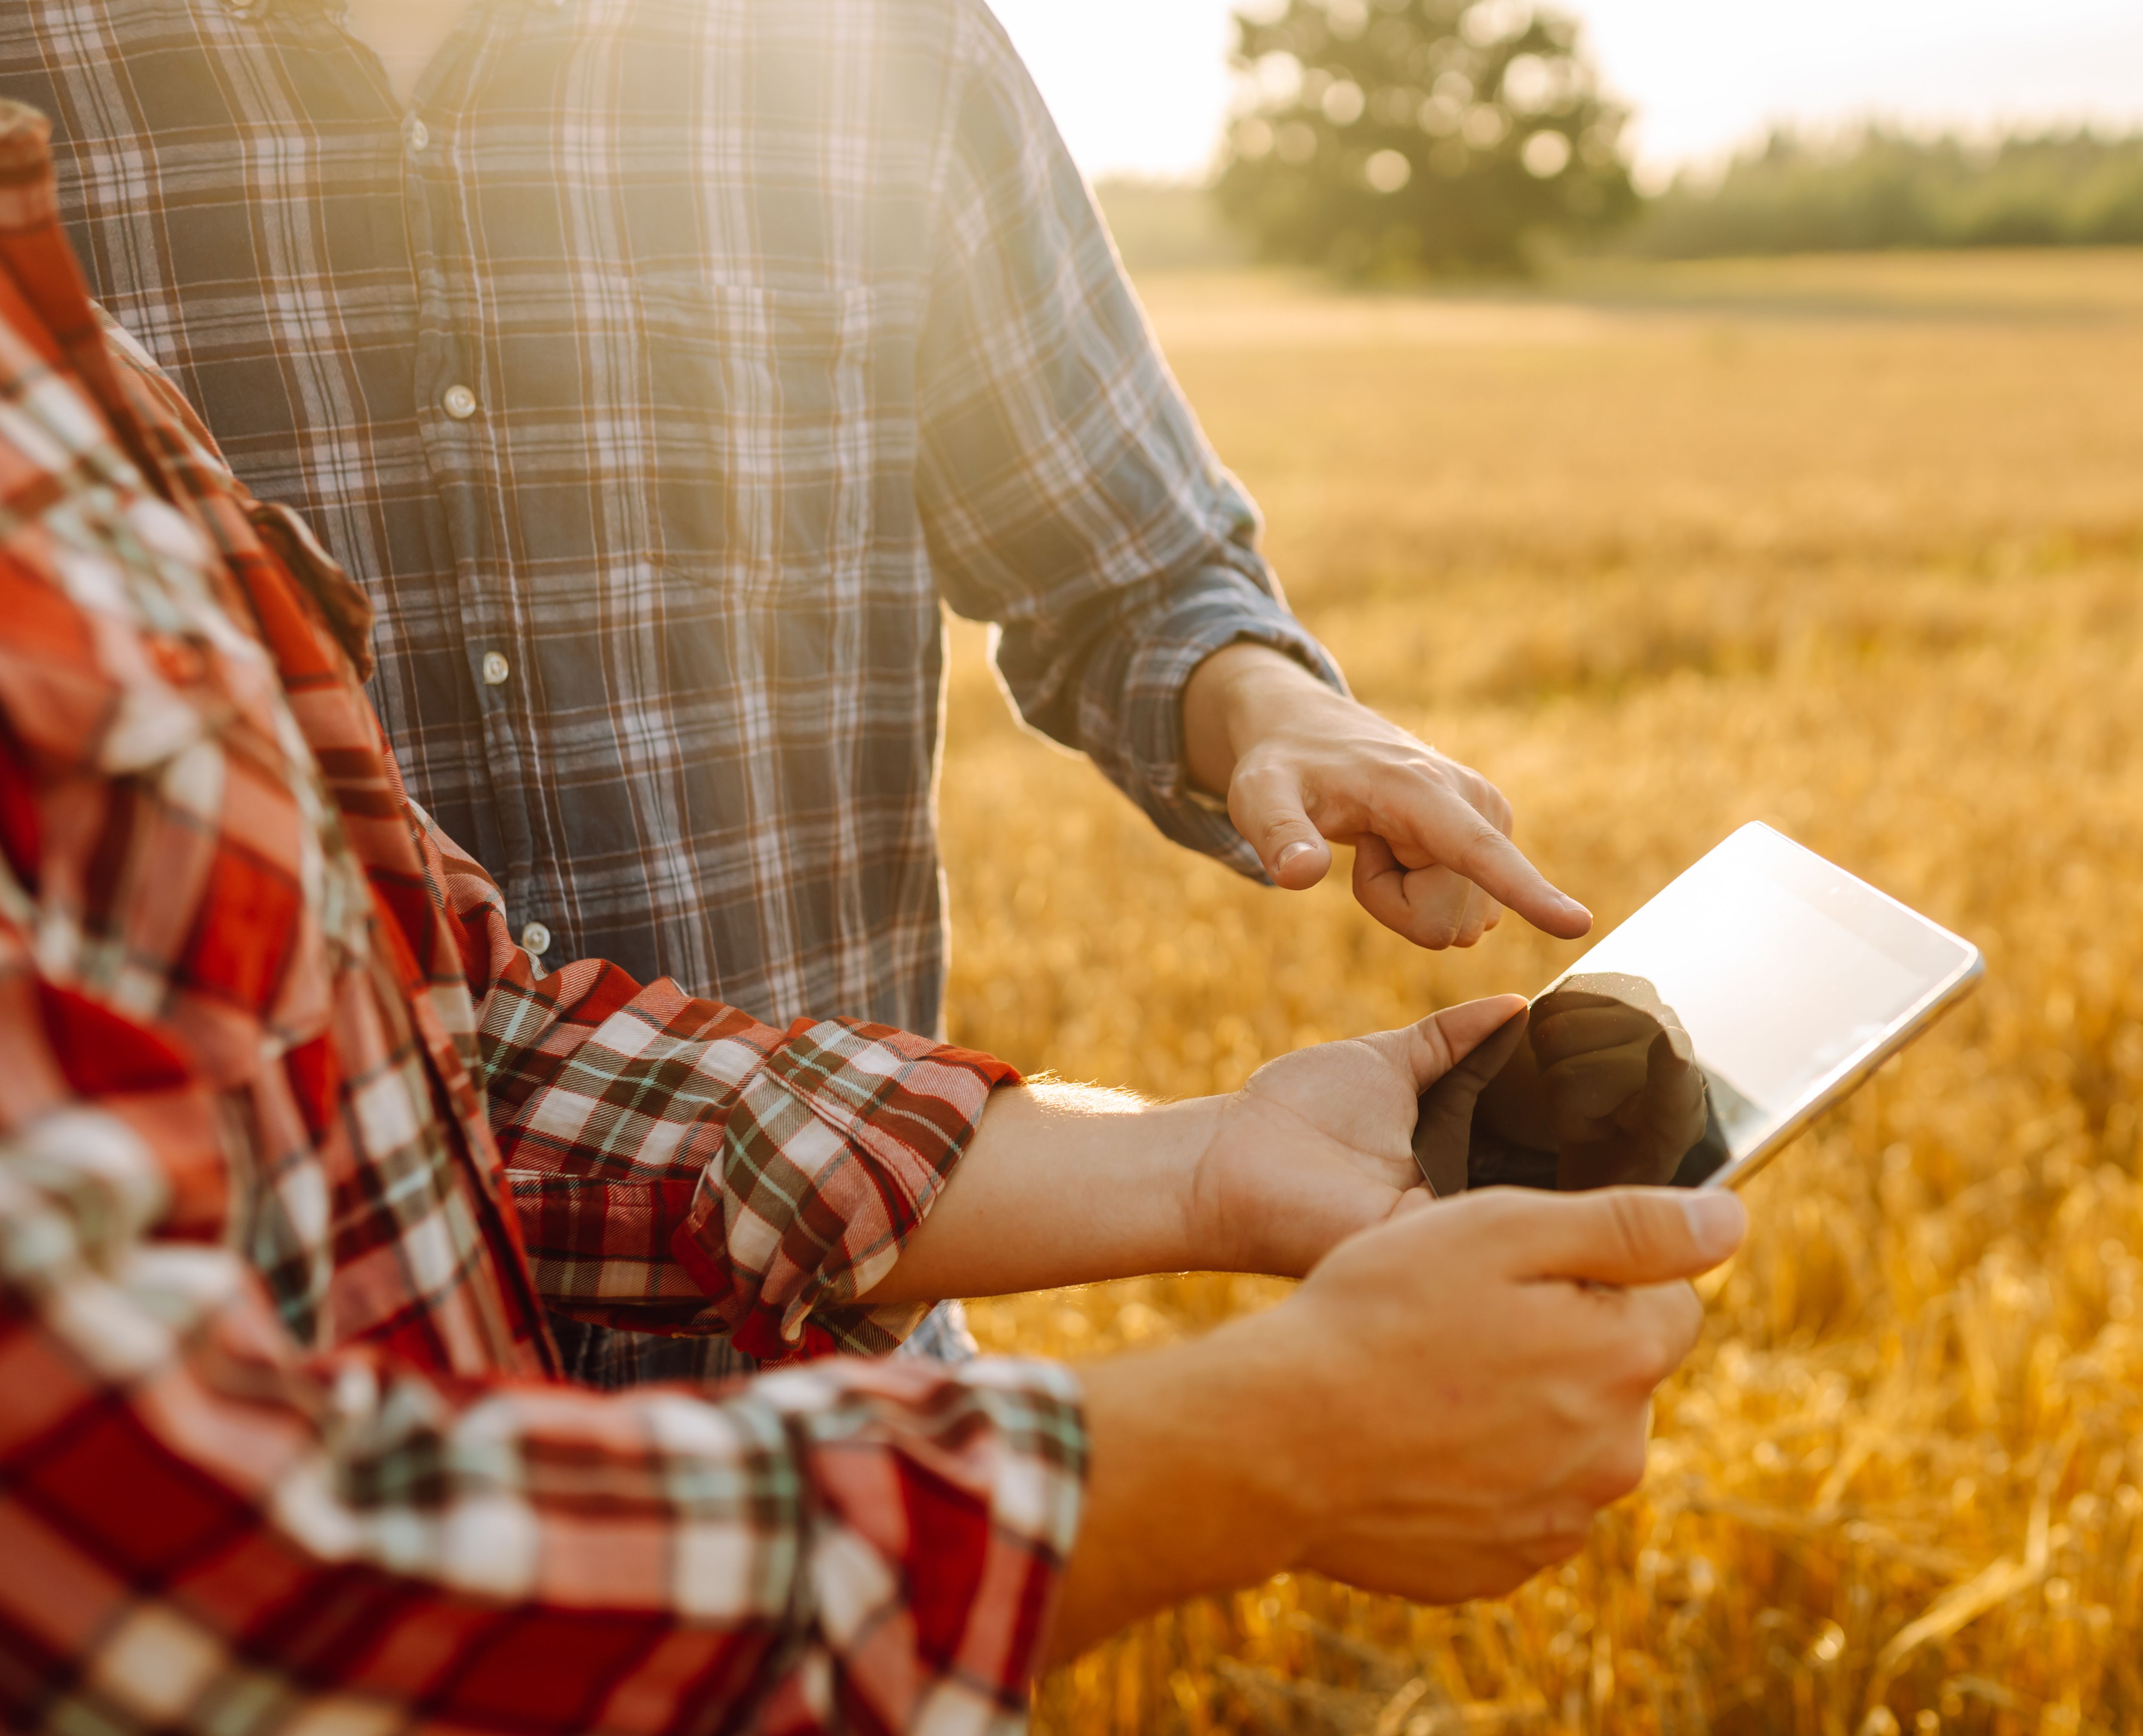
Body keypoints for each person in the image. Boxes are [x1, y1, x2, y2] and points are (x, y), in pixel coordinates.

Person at [0, 101, 1743, 1731]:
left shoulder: (53, 341)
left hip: (826, 1483)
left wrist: (1204, 1162)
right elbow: (136, 1562)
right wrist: (1261, 1449)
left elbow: (448, 1042)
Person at [0, 0, 1593, 1384]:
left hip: (855, 1364)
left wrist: (1272, 710)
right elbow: (445, 1040)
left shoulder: (876, 46)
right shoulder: (34, 90)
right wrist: (1189, 1195)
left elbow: (1127, 564)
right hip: (286, 1448)